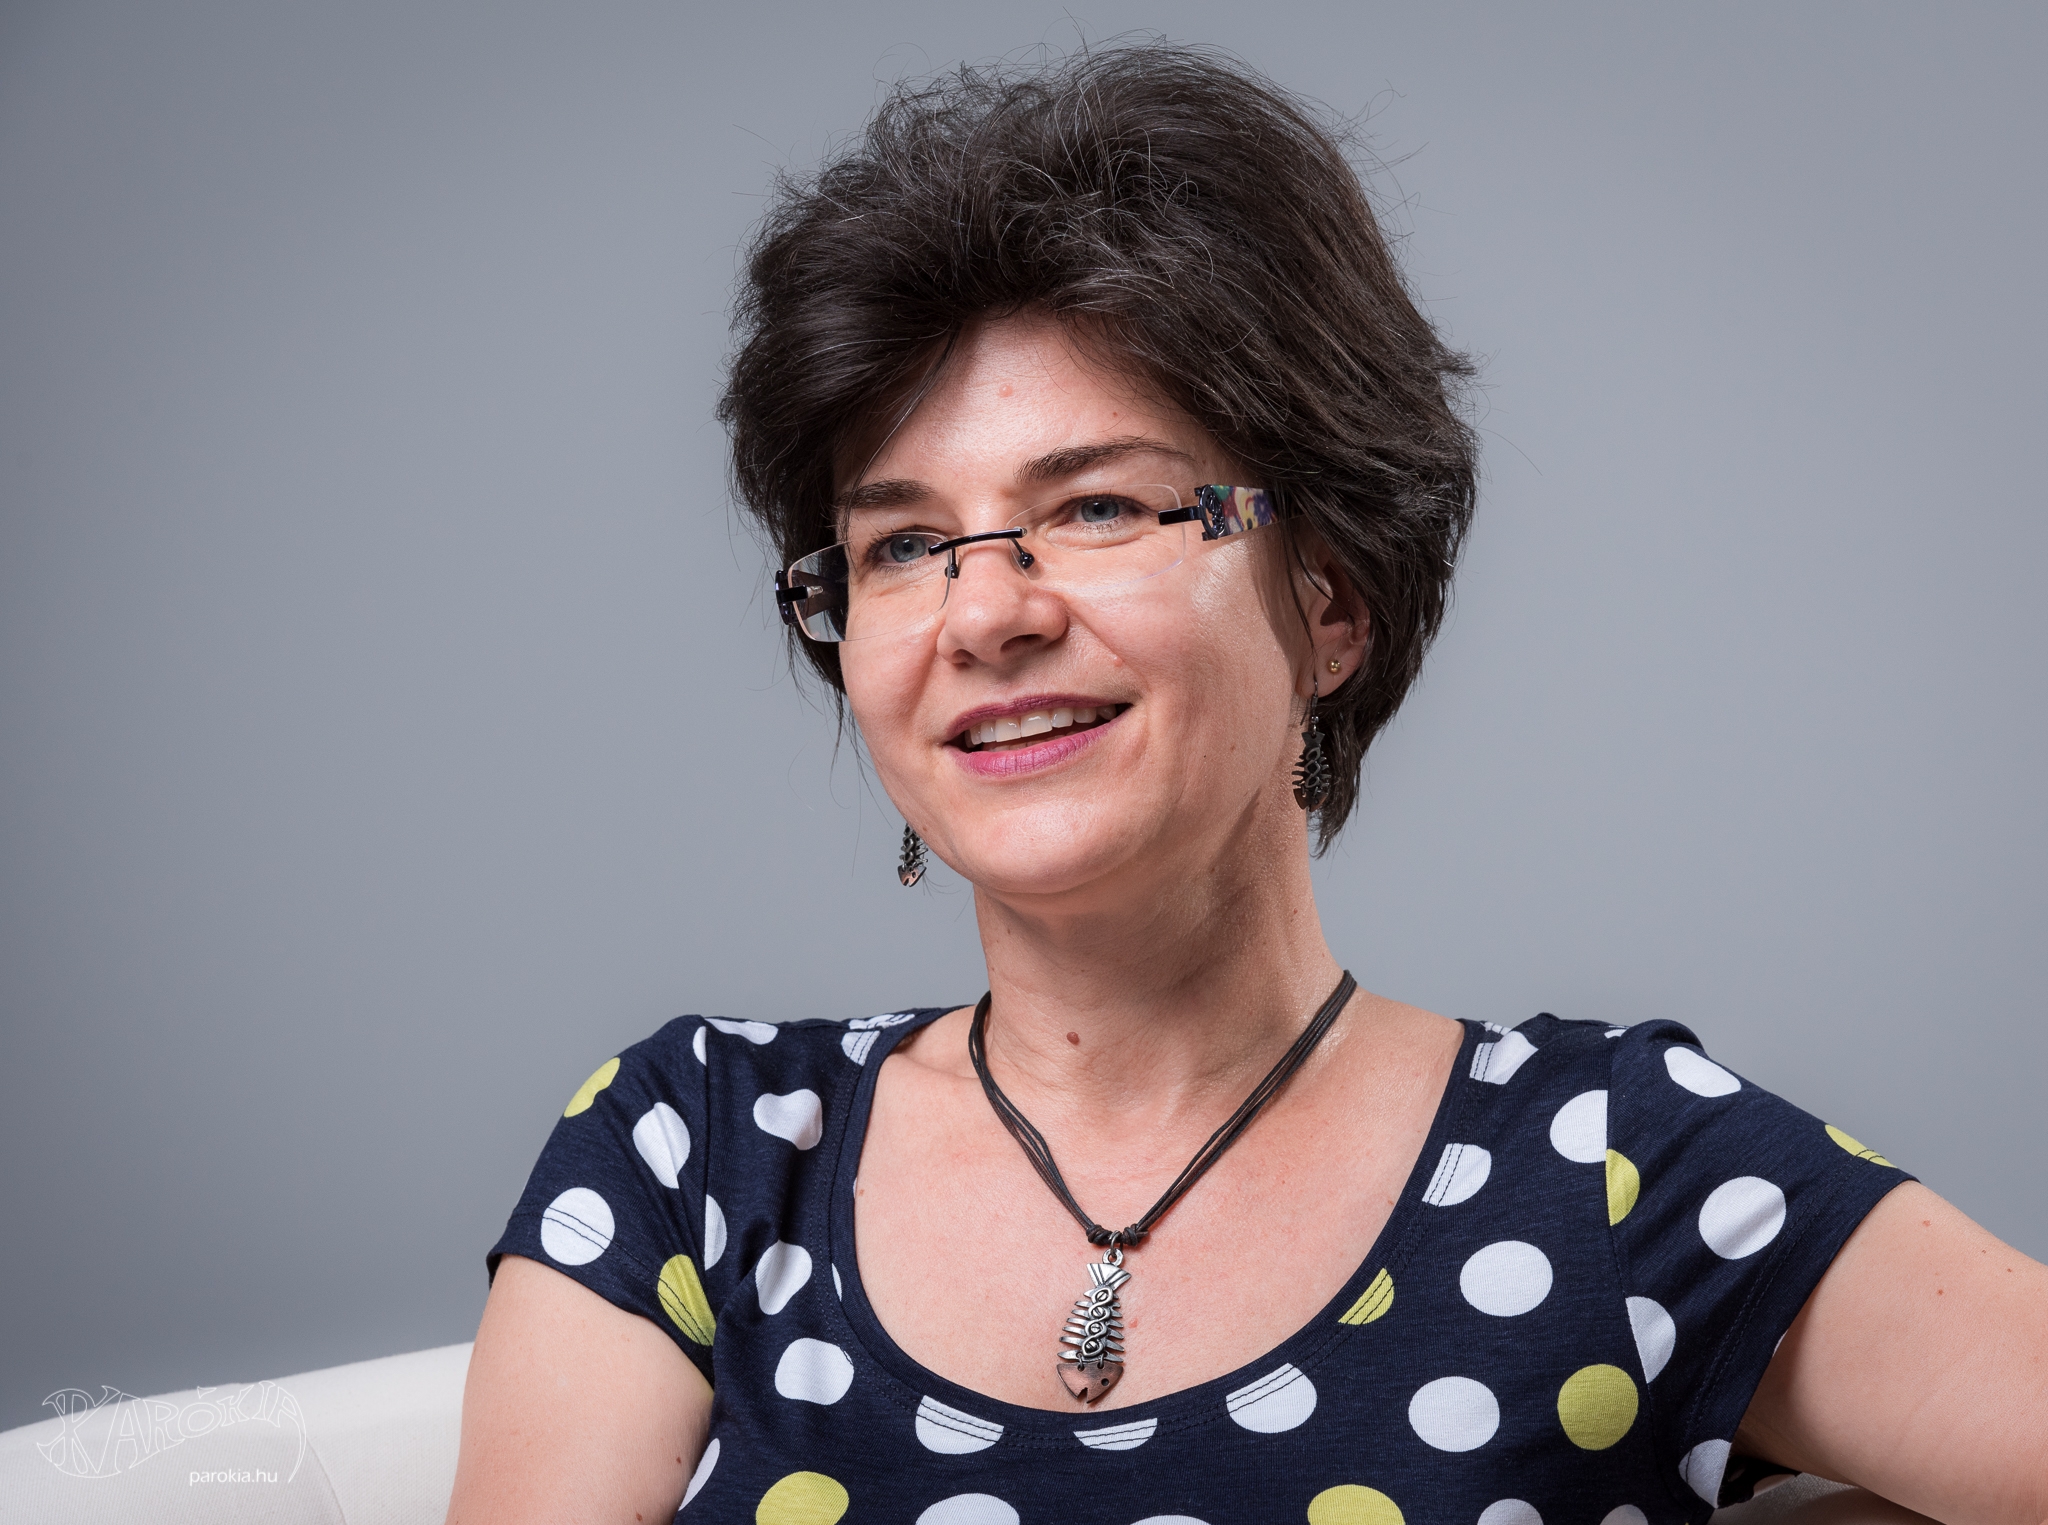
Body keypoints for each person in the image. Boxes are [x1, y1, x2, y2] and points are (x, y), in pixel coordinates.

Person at [447, 46, 2048, 1525]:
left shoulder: (1617, 1172)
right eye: (904, 543)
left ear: (1330, 602)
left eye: (1099, 507)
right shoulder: (696, 1155)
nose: (984, 613)